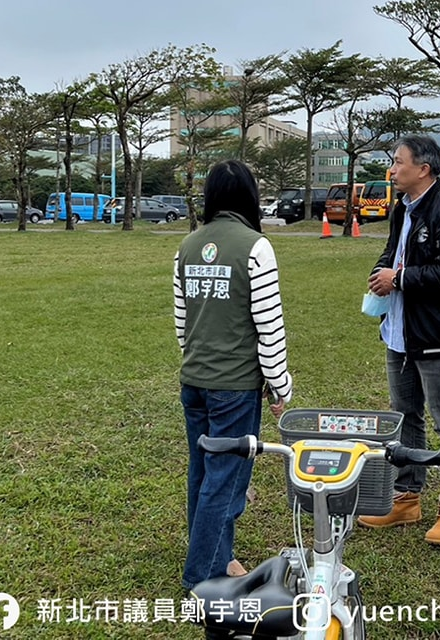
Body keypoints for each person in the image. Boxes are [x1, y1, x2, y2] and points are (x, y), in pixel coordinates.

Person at [174, 159, 293, 591]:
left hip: (195, 380)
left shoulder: (187, 246)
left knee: (203, 472)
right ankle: (203, 577)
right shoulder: (256, 247)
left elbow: (182, 323)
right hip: (234, 387)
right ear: (250, 197)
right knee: (225, 480)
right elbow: (269, 326)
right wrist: (280, 384)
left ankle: (218, 557)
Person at [358, 135, 440, 545]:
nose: (392, 170)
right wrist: (381, 273)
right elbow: (393, 251)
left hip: (438, 335)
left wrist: (400, 278)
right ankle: (407, 496)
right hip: (400, 330)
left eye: (398, 162)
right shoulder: (402, 208)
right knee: (404, 414)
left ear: (423, 169)